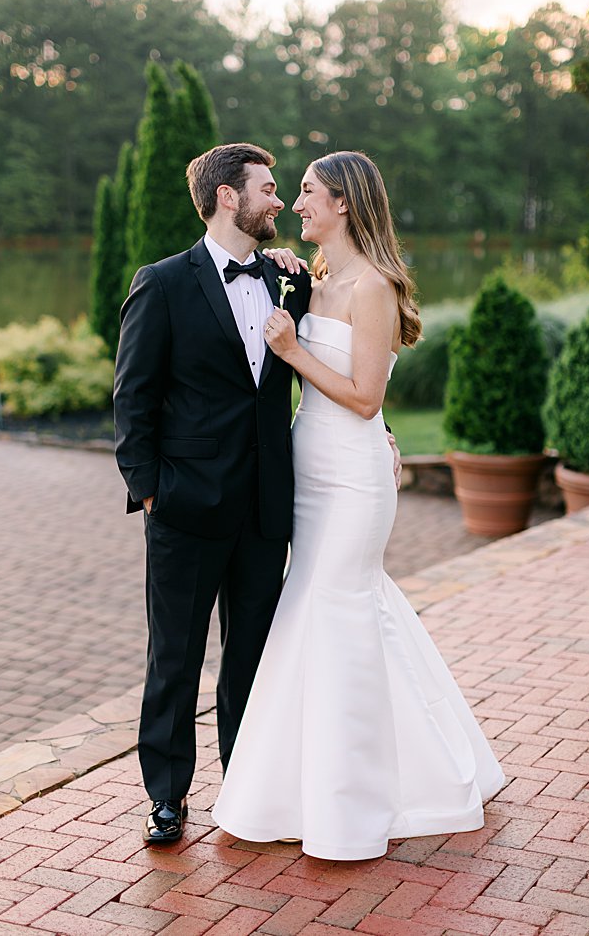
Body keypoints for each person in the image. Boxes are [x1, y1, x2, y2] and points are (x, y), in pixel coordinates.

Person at [210, 150, 505, 860]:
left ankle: (353, 800)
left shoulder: (372, 284)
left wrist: (290, 348)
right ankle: (299, 785)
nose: (295, 204)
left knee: (336, 610)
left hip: (352, 480)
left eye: (307, 193)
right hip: (308, 472)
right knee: (327, 610)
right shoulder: (315, 277)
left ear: (343, 203)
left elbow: (366, 395)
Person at [114, 142, 313, 844]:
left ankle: (248, 785)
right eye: (267, 187)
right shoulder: (163, 283)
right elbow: (132, 397)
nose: (279, 200)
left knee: (252, 655)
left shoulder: (288, 280)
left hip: (264, 507)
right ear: (228, 196)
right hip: (185, 507)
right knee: (174, 656)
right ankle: (167, 796)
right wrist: (149, 491)